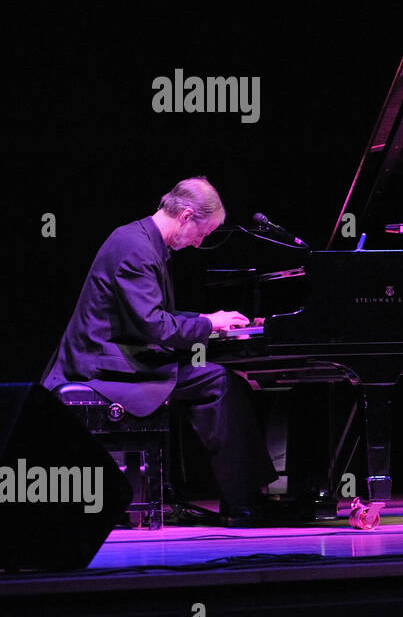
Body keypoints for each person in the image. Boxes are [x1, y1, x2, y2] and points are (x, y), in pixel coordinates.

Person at [42, 176, 277, 526]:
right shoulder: (137, 249)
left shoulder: (140, 240)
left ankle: (243, 497)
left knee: (220, 380)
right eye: (203, 232)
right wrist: (209, 324)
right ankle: (243, 503)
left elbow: (149, 316)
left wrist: (204, 318)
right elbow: (154, 326)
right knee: (220, 383)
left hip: (121, 355)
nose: (201, 242)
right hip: (106, 367)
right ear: (185, 216)